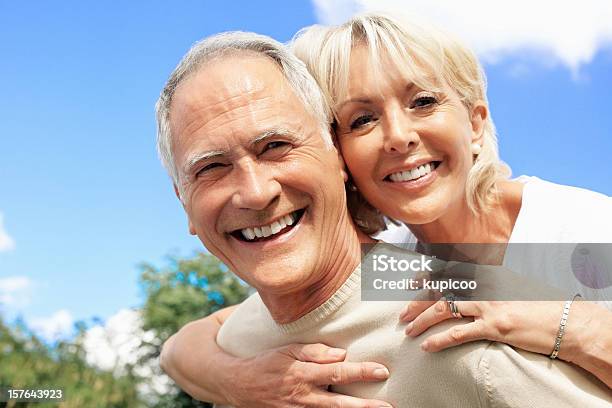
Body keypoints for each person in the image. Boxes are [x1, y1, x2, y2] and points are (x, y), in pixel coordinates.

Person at [155, 21, 612, 407]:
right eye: (361, 120)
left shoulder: (584, 232)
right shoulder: (397, 263)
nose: (398, 136)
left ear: (475, 122)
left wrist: (569, 325)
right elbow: (183, 345)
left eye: (424, 102)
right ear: (340, 153)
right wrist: (239, 380)